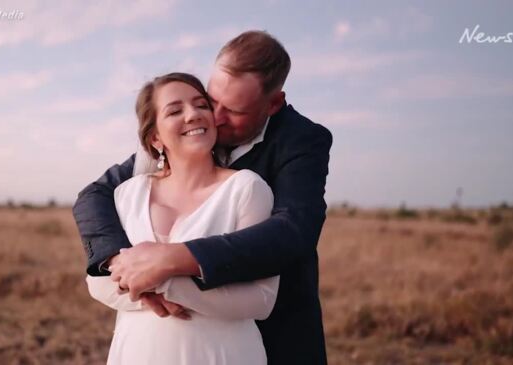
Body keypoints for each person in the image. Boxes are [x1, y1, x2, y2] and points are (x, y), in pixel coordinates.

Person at [73, 30, 332, 365]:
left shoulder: (302, 142)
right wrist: (117, 261)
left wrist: (171, 260)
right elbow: (94, 196)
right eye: (212, 100)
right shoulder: (178, 139)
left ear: (273, 104)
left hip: (273, 330)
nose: (215, 117)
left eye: (235, 111)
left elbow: (293, 230)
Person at [86, 72, 279, 364]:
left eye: (202, 105)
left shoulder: (247, 188)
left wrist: (165, 282)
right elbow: (97, 283)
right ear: (155, 137)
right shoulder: (128, 193)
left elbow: (262, 299)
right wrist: (153, 288)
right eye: (175, 110)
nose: (193, 115)